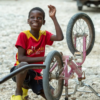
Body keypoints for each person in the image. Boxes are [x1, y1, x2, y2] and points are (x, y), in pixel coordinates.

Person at [10, 5, 64, 100]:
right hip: (19, 72)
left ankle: (25, 88)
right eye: (32, 17)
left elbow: (60, 37)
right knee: (23, 65)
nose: (35, 19)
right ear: (28, 20)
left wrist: (53, 18)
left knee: (52, 95)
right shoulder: (23, 35)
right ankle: (19, 92)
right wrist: (44, 58)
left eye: (39, 18)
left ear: (43, 22)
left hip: (35, 74)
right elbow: (21, 58)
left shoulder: (44, 35)